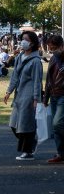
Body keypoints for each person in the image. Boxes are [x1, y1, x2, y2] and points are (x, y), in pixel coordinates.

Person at [3, 31, 43, 161]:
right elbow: (15, 76)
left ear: (32, 43)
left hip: (29, 94)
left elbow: (37, 81)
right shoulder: (20, 56)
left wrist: (36, 99)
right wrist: (8, 91)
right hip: (19, 94)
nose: (22, 42)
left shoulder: (36, 61)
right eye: (22, 39)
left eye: (25, 39)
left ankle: (27, 151)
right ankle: (31, 144)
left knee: (25, 124)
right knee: (14, 124)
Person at [43, 35, 64, 164]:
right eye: (51, 49)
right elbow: (49, 79)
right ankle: (60, 153)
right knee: (56, 127)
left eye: (55, 48)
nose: (53, 51)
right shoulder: (53, 59)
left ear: (62, 45)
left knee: (57, 123)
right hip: (54, 95)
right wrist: (46, 97)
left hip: (63, 95)